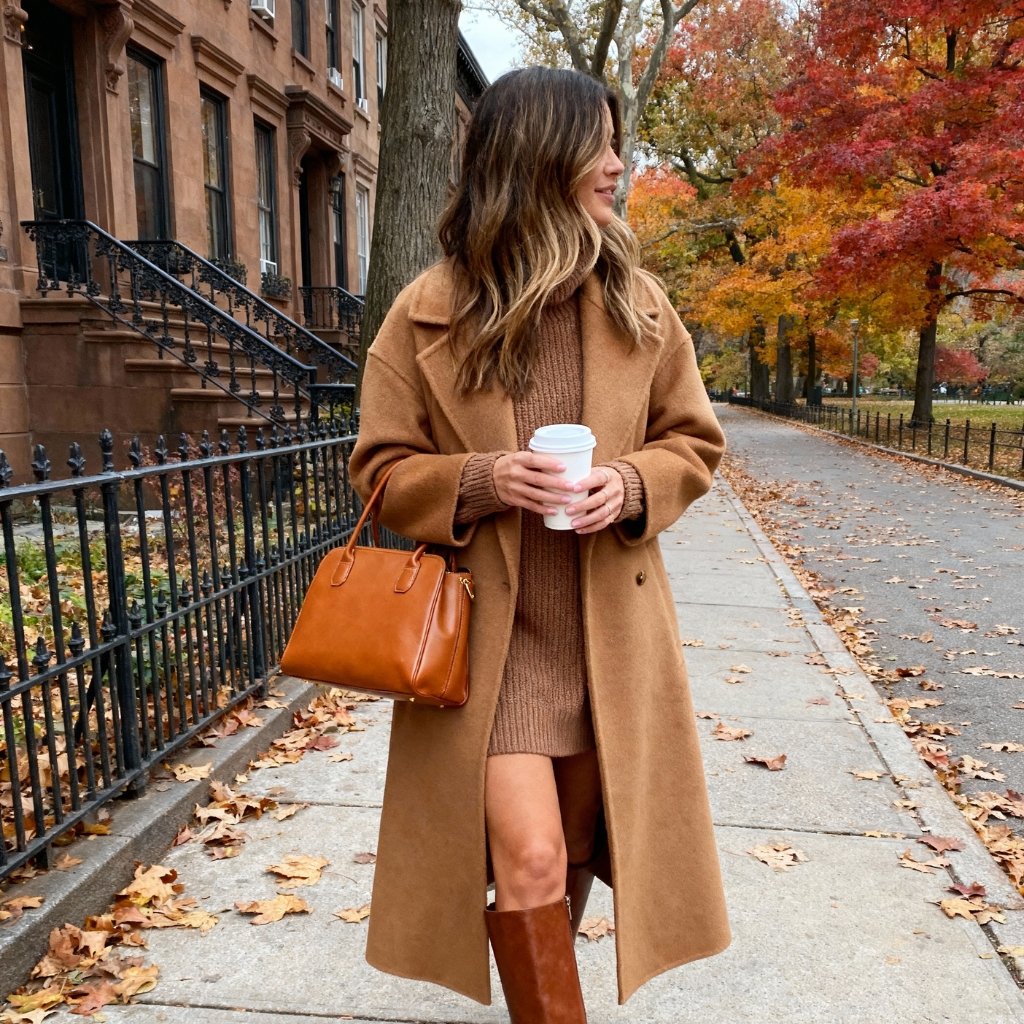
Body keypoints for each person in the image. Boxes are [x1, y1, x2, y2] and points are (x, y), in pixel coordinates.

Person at [349, 66, 729, 1023]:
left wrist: (631, 484)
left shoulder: (639, 304)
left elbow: (693, 443)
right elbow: (380, 470)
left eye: (617, 144)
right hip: (491, 643)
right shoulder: (426, 311)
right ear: (537, 156)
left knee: (574, 856)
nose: (617, 164)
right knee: (530, 856)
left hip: (608, 641)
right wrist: (482, 480)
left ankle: (540, 990)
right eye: (599, 144)